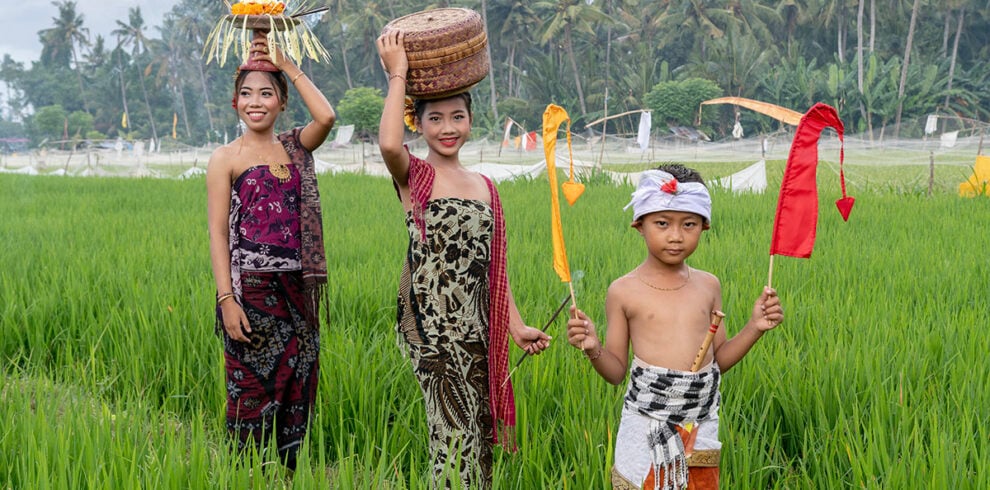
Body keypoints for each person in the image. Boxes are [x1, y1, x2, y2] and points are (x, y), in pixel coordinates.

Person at [376, 30, 551, 489]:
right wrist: (398, 75)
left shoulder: (484, 187)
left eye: (457, 117)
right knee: (451, 435)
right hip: (430, 328)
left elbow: (494, 270)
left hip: (478, 328)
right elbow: (390, 146)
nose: (447, 127)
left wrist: (516, 327)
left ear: (471, 120)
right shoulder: (416, 175)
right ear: (419, 124)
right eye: (435, 118)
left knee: (478, 434)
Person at [565, 164, 784, 490]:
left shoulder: (709, 285)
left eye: (689, 224)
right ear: (639, 225)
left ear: (704, 226)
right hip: (645, 422)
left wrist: (755, 327)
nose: (676, 236)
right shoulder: (623, 291)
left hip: (700, 421)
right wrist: (593, 348)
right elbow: (615, 373)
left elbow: (719, 361)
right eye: (662, 223)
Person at [206, 33, 335, 471]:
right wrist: (226, 299)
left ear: (281, 101)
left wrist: (289, 65)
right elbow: (218, 234)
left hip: (297, 289)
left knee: (298, 384)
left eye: (266, 93)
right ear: (235, 102)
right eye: (246, 93)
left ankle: (288, 475)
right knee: (251, 391)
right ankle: (245, 476)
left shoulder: (295, 146)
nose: (255, 102)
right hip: (252, 292)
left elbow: (327, 116)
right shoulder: (225, 158)